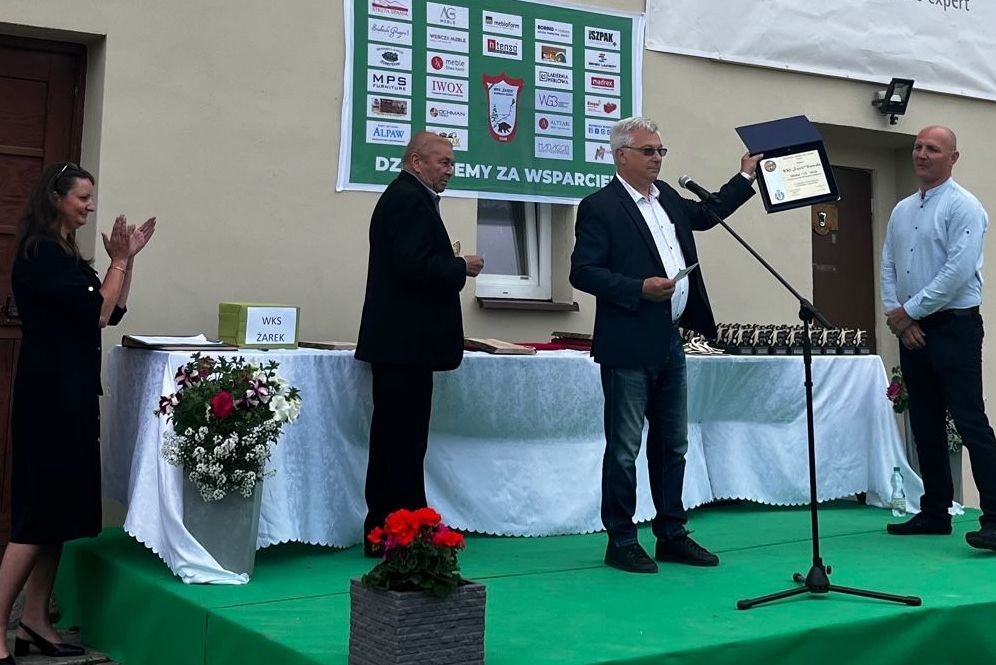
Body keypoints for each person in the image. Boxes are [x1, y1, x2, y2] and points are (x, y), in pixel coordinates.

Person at [570, 117, 761, 573]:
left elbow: (707, 216)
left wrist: (745, 176)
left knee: (673, 443)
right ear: (622, 155)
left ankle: (671, 532)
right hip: (628, 340)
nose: (657, 158)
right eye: (648, 151)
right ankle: (621, 539)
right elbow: (583, 271)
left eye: (661, 151)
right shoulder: (601, 206)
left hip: (671, 338)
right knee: (624, 447)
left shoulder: (668, 198)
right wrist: (638, 288)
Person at [0, 162, 155, 662]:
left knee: (57, 515)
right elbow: (97, 310)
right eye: (82, 198)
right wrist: (118, 262)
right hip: (48, 400)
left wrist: (125, 262)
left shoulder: (66, 253)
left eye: (91, 197)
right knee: (35, 517)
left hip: (71, 396)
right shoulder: (42, 252)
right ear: (56, 197)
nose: (90, 206)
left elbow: (111, 311)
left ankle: (34, 620)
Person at [355, 132, 484, 552]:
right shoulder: (409, 200)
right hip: (405, 345)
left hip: (402, 345)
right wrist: (460, 266)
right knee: (403, 443)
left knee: (395, 440)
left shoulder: (407, 197)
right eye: (443, 162)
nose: (450, 170)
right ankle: (404, 531)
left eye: (452, 163)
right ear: (416, 161)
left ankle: (388, 530)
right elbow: (413, 267)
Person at [881, 125, 996, 551]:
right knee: (924, 421)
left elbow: (957, 273)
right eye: (918, 147)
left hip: (954, 327)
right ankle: (935, 510)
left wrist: (909, 312)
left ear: (953, 158)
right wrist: (899, 317)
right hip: (912, 328)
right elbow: (889, 265)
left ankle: (995, 518)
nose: (922, 154)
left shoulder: (964, 207)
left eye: (932, 148)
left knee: (969, 421)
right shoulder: (902, 210)